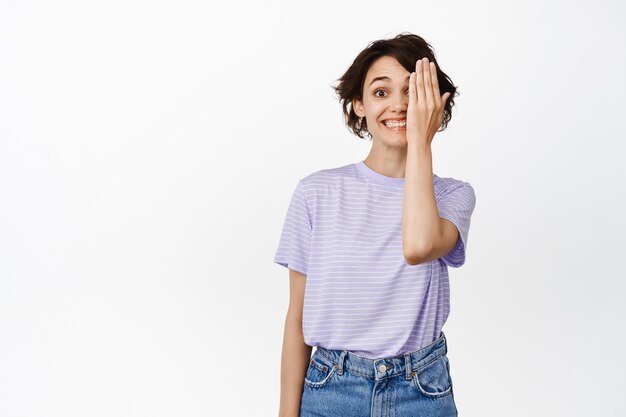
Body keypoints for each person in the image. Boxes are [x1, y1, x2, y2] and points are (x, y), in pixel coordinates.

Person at [273, 32, 476, 417]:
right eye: (381, 92)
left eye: (413, 92)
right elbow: (296, 318)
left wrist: (420, 141)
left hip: (421, 389)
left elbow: (418, 247)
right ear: (359, 105)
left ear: (434, 104)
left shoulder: (453, 196)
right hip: (331, 388)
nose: (399, 105)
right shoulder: (315, 193)